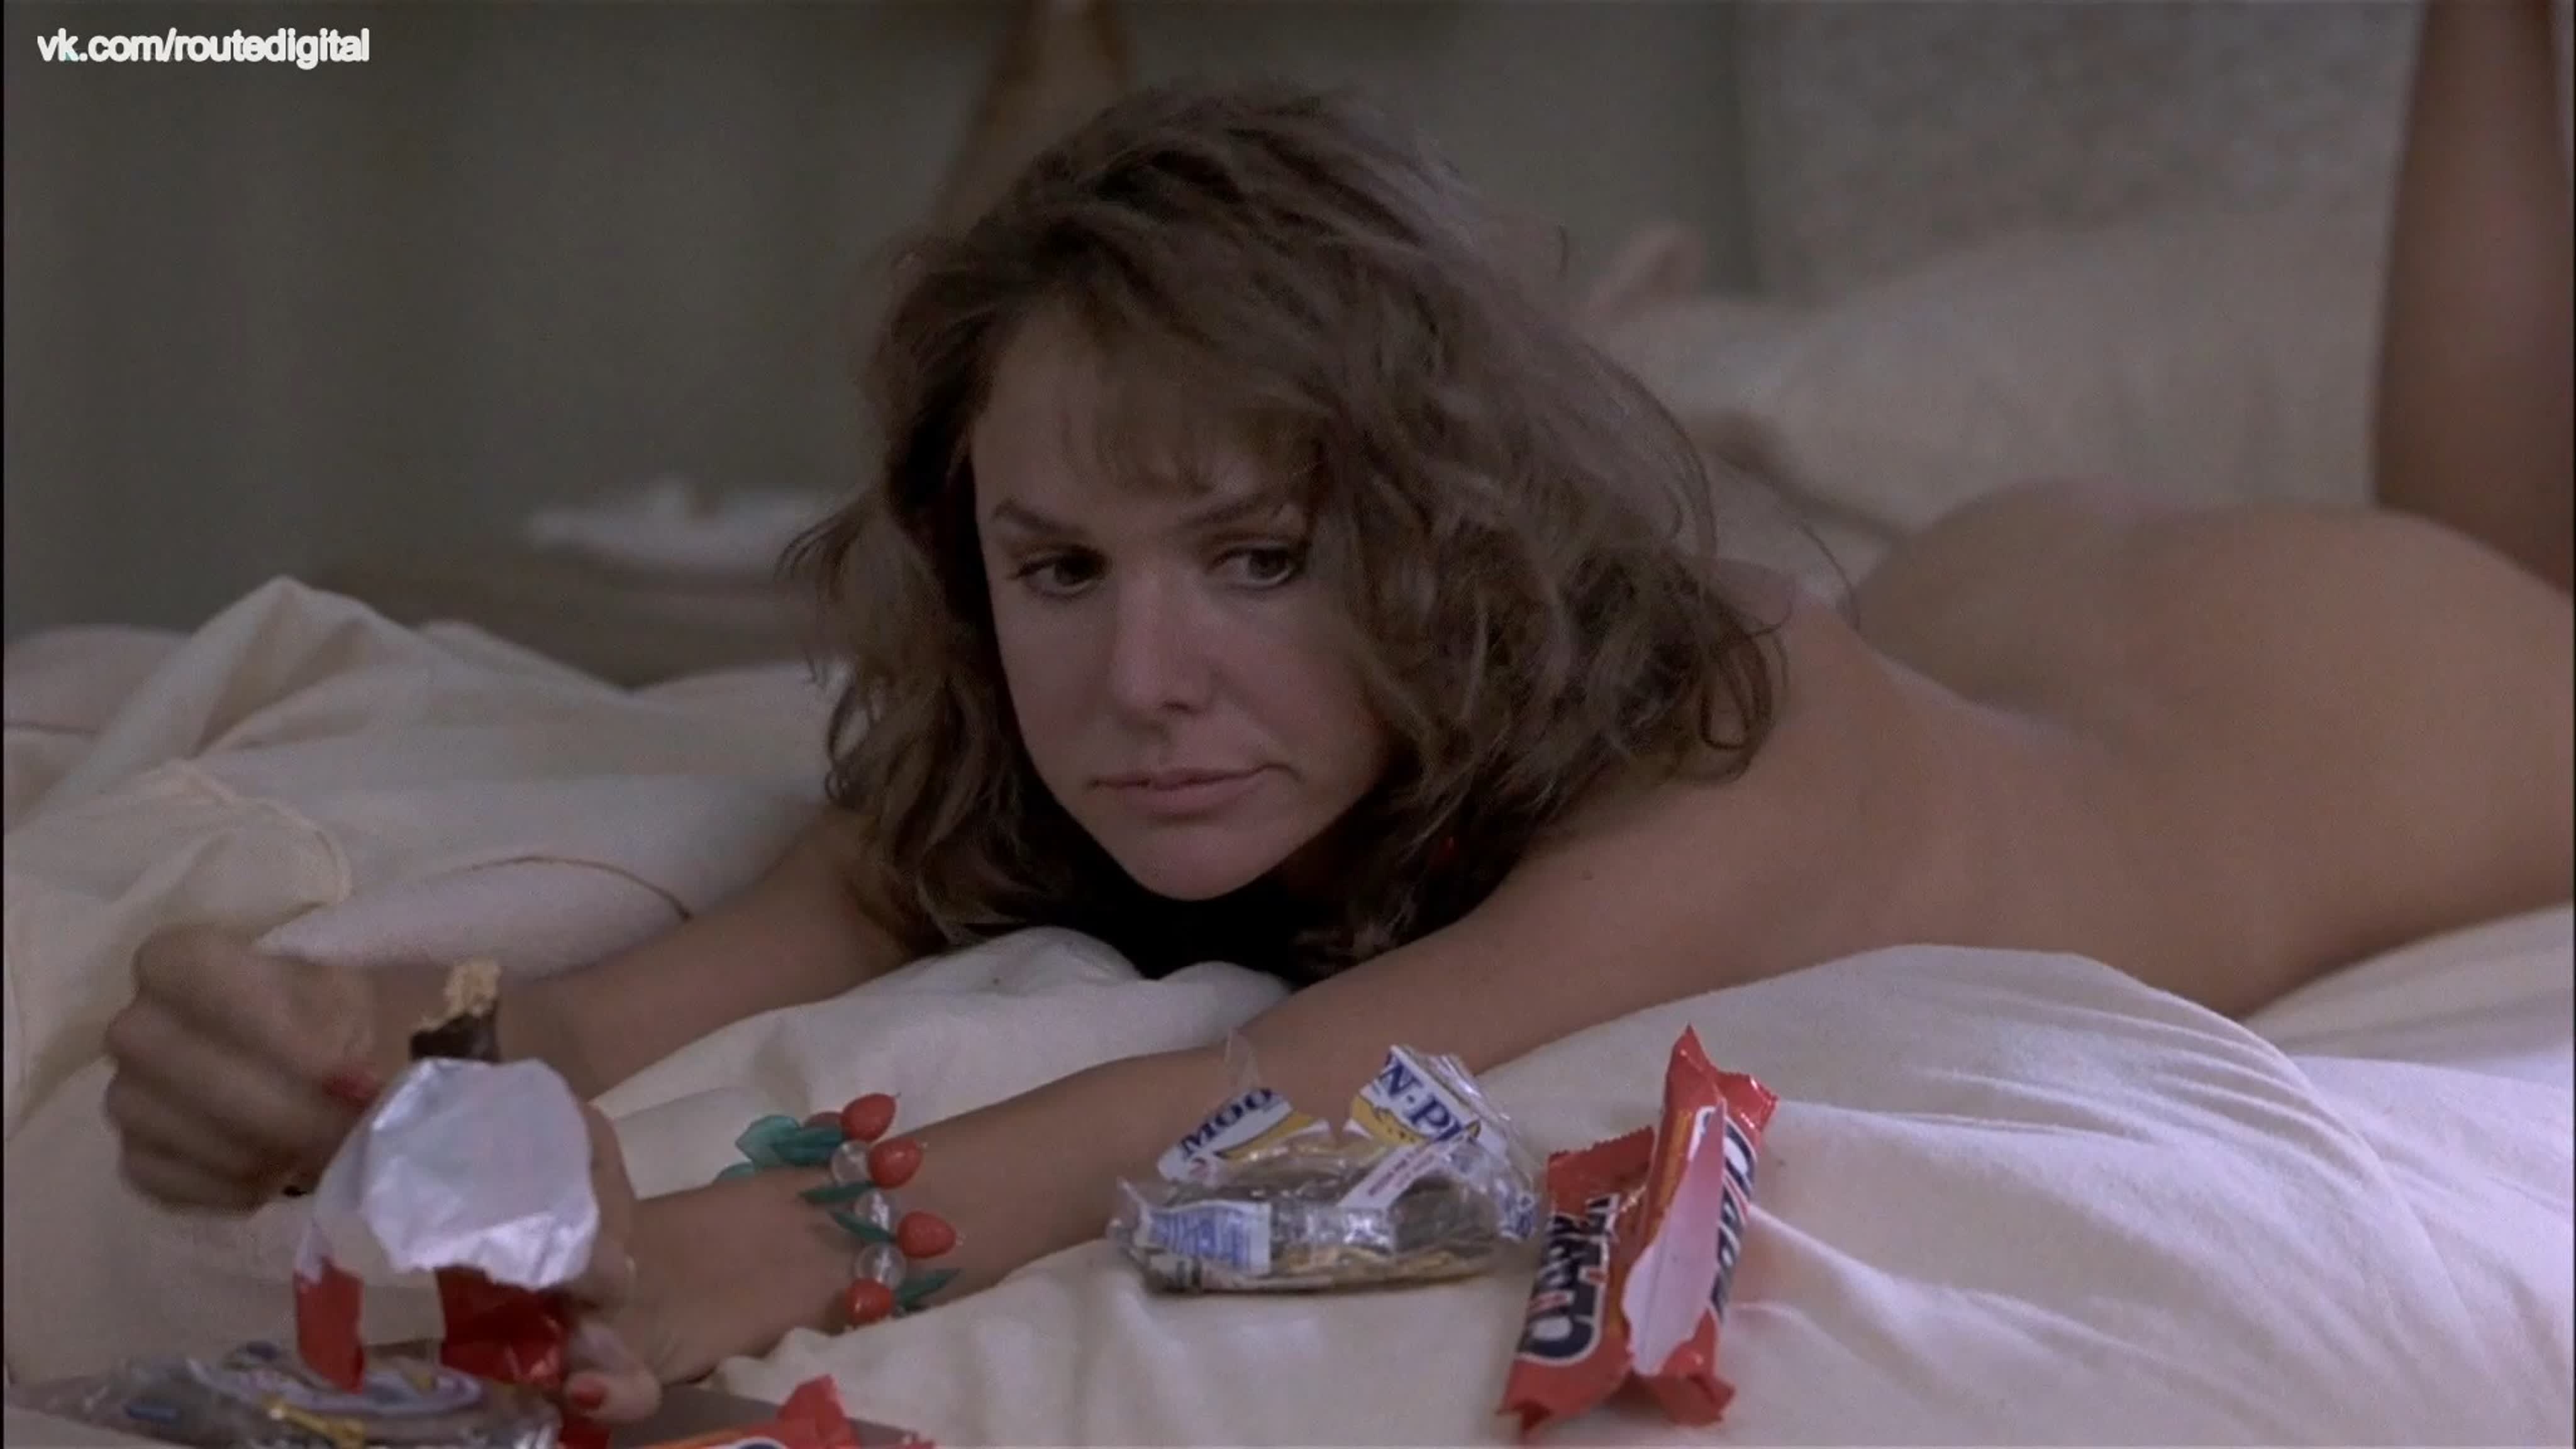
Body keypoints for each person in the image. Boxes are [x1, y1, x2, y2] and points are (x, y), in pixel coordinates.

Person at [100, 1, 2570, 1422]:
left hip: (2378, 693)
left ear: (1446, 533)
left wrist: (740, 1246)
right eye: (1061, 566)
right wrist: (361, 1047)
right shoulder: (1087, 699)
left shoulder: (1734, 746)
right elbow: (660, 983)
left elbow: (1281, 1088)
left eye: (1263, 558)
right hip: (2017, 596)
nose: (1142, 682)